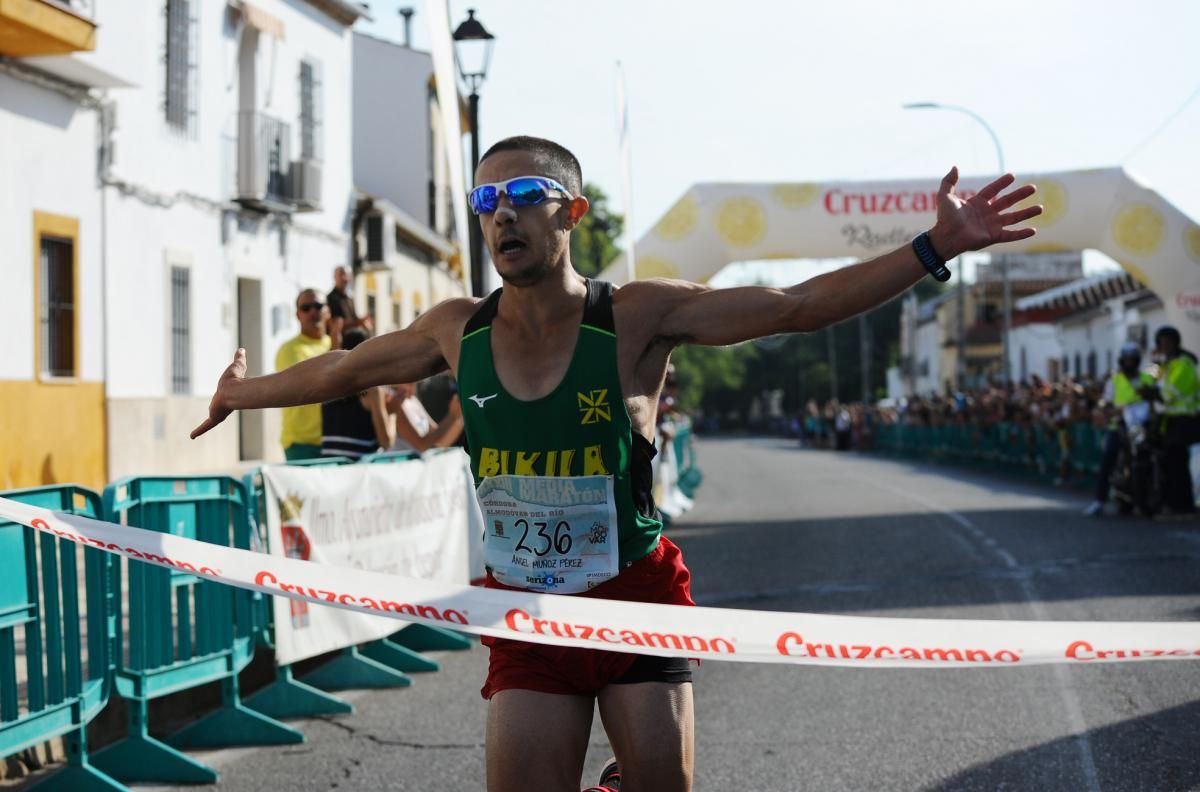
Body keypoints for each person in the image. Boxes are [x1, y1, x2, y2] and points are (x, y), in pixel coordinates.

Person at [192, 135, 1040, 792]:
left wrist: (935, 247)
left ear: (573, 214)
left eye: (526, 195)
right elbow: (346, 368)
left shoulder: (636, 316)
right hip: (527, 609)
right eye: (487, 199)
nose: (502, 215)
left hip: (635, 597)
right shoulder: (457, 328)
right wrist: (242, 394)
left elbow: (798, 308)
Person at [1083, 343, 1156, 516]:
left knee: (1154, 455)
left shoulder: (1147, 378)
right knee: (1109, 456)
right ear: (1121, 361)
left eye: (1132, 359)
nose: (1129, 363)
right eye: (1126, 359)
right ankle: (1099, 500)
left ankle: (1154, 496)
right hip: (1119, 425)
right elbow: (1106, 401)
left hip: (1141, 426)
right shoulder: (1114, 380)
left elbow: (1155, 397)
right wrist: (1106, 409)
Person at [274, 289, 332, 460]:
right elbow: (309, 384)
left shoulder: (335, 344)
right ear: (297, 315)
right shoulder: (290, 350)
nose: (313, 311)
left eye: (318, 306)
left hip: (333, 440)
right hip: (301, 444)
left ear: (328, 311)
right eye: (306, 307)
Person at [320, 328, 393, 459]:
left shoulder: (327, 386)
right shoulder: (372, 390)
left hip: (330, 468)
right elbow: (386, 442)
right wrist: (393, 413)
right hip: (359, 471)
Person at [1152, 325, 1199, 515]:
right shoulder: (1165, 365)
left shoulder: (1183, 364)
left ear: (1176, 343)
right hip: (1169, 421)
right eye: (1161, 343)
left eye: (1167, 342)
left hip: (1184, 421)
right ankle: (1172, 502)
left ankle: (1183, 504)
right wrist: (1152, 366)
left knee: (1178, 465)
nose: (1164, 346)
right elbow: (1148, 380)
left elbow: (1169, 393)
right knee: (1170, 463)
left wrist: (1154, 393)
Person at [387, 381, 464, 453]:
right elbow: (421, 446)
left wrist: (459, 417)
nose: (413, 385)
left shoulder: (413, 400)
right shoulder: (393, 403)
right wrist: (452, 416)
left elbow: (440, 440)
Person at [326, 265, 373, 349]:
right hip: (341, 340)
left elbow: (353, 319)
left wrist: (363, 321)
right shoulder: (331, 298)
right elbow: (336, 325)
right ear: (334, 277)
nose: (344, 278)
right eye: (341, 274)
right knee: (359, 334)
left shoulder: (350, 298)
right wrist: (359, 322)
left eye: (346, 275)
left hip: (352, 336)